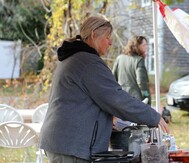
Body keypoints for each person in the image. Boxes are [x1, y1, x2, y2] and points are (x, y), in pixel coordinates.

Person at [40, 15, 169, 162]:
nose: (110, 42)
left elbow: (85, 101)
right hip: (71, 144)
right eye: (107, 37)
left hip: (63, 141)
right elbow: (116, 99)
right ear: (94, 34)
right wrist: (153, 116)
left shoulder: (76, 58)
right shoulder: (88, 63)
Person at [112, 36, 151, 104]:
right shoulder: (139, 60)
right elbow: (141, 82)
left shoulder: (119, 58)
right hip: (136, 99)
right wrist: (146, 97)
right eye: (144, 45)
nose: (146, 47)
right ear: (137, 46)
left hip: (121, 97)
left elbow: (112, 78)